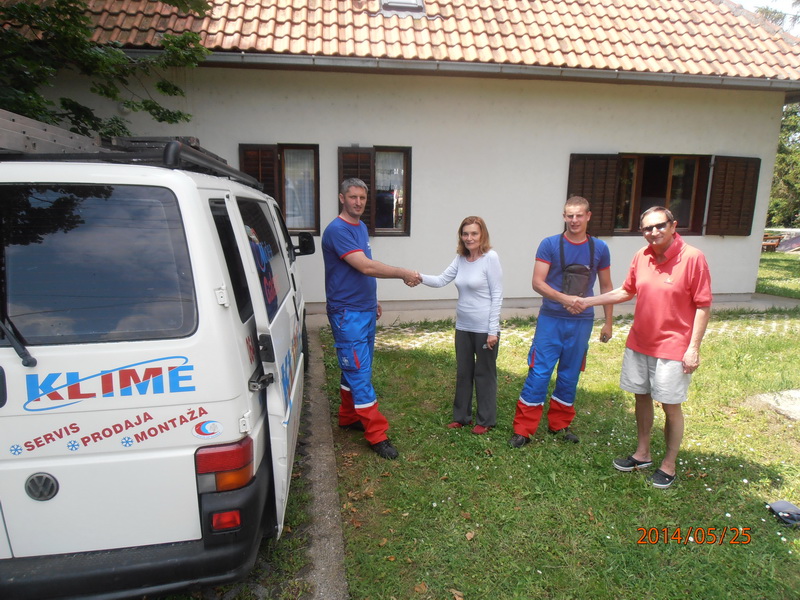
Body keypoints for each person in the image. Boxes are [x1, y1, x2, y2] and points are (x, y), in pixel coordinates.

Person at [571, 206, 711, 489]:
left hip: (673, 346)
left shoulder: (693, 258)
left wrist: (693, 348)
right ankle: (642, 453)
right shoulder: (642, 255)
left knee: (670, 405)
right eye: (647, 228)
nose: (653, 232)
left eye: (660, 226)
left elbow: (703, 305)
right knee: (641, 397)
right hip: (640, 342)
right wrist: (587, 301)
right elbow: (627, 290)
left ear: (673, 225)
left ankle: (669, 464)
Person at [322, 178, 420, 459]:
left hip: (363, 309)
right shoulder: (337, 230)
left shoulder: (361, 227)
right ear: (342, 198)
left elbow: (360, 270)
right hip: (347, 314)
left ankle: (348, 416)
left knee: (352, 368)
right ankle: (377, 435)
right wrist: (403, 273)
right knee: (359, 371)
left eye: (362, 198)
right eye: (353, 197)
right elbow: (365, 267)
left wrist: (371, 300)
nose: (358, 202)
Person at [509, 196, 613, 448]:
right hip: (551, 320)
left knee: (570, 374)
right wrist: (564, 299)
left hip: (582, 322)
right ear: (564, 217)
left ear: (588, 216)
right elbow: (537, 282)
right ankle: (523, 429)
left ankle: (560, 424)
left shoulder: (600, 248)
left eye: (579, 215)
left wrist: (608, 322)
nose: (574, 220)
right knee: (539, 373)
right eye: (569, 215)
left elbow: (607, 286)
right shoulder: (550, 244)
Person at [420, 216, 503, 434]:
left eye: (474, 233)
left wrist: (492, 330)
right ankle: (461, 417)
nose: (469, 238)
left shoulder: (490, 258)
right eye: (465, 234)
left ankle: (485, 420)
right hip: (463, 327)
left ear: (482, 235)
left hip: (484, 329)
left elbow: (497, 294)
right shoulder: (460, 259)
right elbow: (440, 280)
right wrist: (417, 276)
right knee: (464, 372)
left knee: (485, 374)